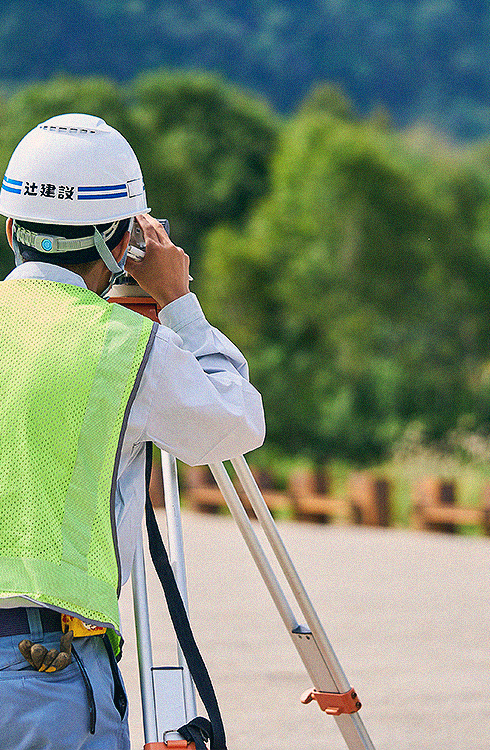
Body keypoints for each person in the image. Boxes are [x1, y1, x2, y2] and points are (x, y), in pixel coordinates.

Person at [0, 113, 265, 749]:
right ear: (126, 244)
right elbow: (234, 425)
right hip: (44, 665)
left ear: (10, 226)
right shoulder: (128, 348)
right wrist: (178, 303)